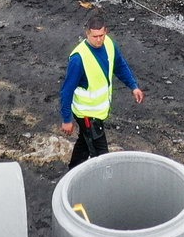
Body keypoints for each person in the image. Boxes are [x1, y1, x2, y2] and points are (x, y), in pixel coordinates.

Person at [59, 11, 143, 168]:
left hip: (98, 112)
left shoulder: (109, 44)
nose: (99, 40)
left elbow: (120, 65)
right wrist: (66, 119)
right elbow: (66, 90)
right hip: (87, 115)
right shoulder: (79, 59)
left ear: (106, 32)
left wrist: (133, 86)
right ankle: (106, 182)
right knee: (102, 155)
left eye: (101, 36)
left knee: (85, 142)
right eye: (94, 36)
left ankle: (72, 170)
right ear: (87, 34)